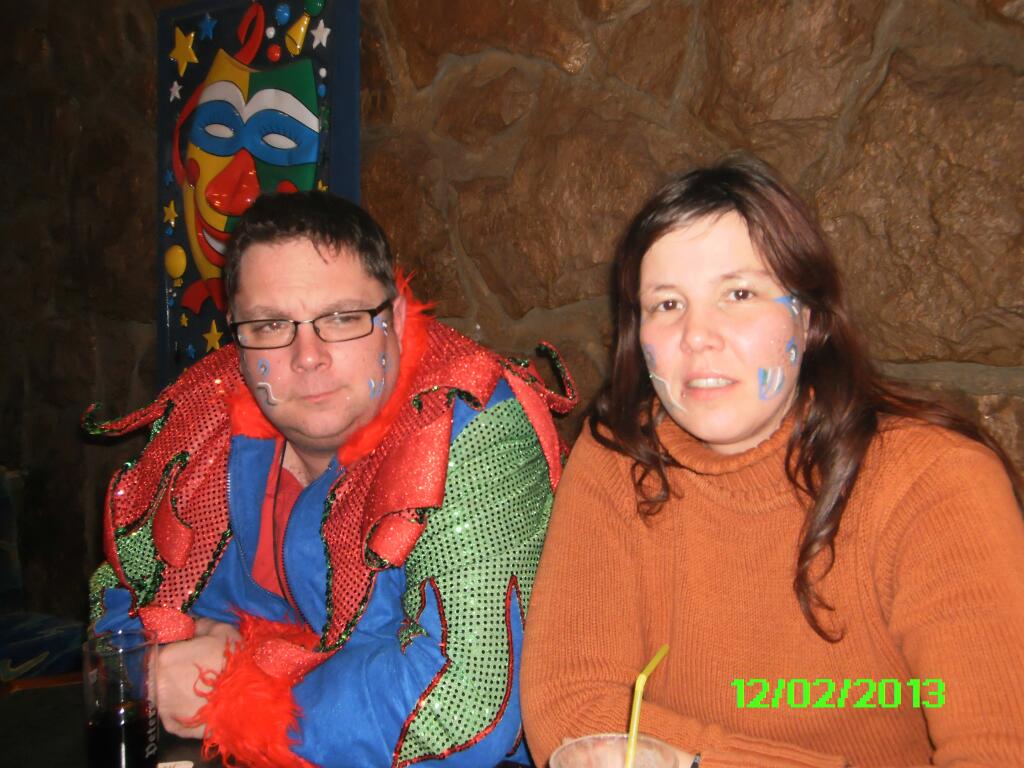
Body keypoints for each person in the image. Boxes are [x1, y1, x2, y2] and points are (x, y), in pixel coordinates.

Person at [521, 155, 1024, 767]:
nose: (696, 335)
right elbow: (570, 710)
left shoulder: (935, 480)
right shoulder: (618, 457)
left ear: (807, 318)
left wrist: (688, 760)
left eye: (739, 293)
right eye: (667, 304)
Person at [86, 190, 576, 768]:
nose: (307, 356)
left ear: (395, 320)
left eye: (342, 318)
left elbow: (465, 703)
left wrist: (234, 694)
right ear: (238, 337)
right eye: (271, 324)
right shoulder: (203, 419)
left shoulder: (472, 428)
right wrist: (148, 667)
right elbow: (117, 597)